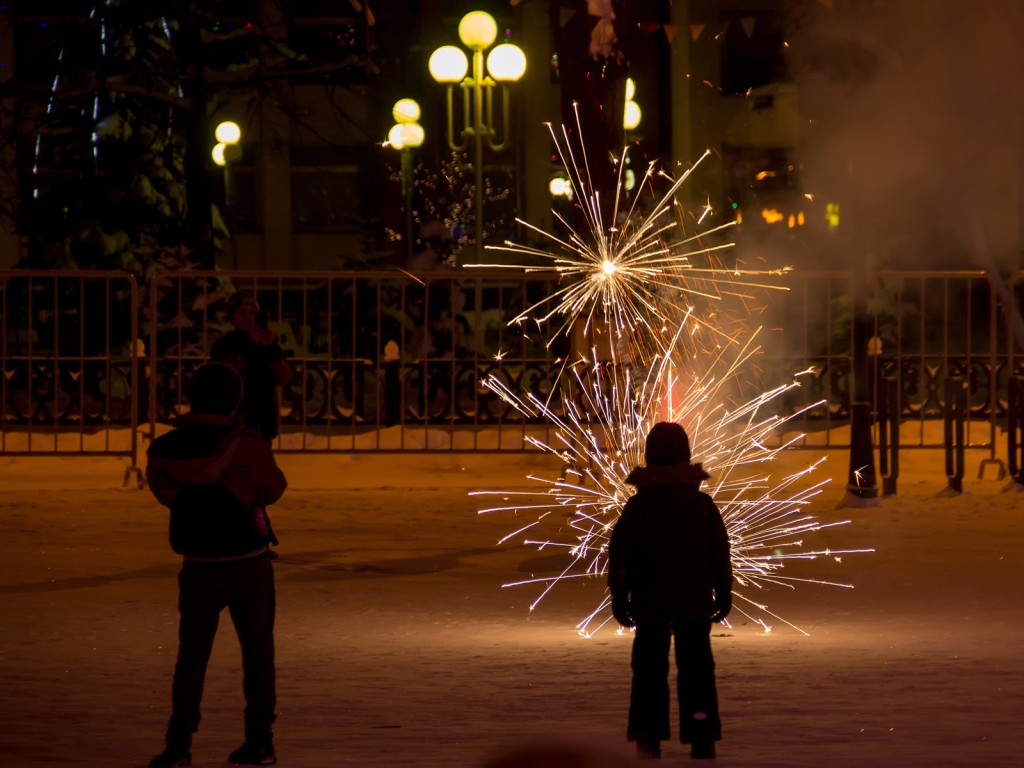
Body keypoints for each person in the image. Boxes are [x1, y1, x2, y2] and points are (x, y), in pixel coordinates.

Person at [146, 362, 287, 768]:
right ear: (235, 398)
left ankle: (179, 745)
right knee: (258, 654)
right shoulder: (250, 444)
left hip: (200, 562)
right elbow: (274, 489)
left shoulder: (164, 448)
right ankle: (260, 741)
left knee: (191, 657)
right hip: (249, 564)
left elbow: (165, 492)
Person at [607, 422, 733, 760]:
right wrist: (723, 592)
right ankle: (702, 731)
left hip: (649, 600)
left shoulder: (636, 508)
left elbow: (620, 556)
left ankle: (647, 733)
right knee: (697, 670)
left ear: (649, 458)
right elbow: (719, 552)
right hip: (693, 600)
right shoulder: (702, 505)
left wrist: (620, 597)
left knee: (648, 670)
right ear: (686, 456)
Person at [211, 292, 293, 443]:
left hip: (264, 425)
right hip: (234, 424)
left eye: (252, 312)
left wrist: (271, 349)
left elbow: (284, 377)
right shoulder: (224, 344)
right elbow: (224, 374)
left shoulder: (266, 345)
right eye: (242, 312)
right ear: (232, 317)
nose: (248, 317)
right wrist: (249, 345)